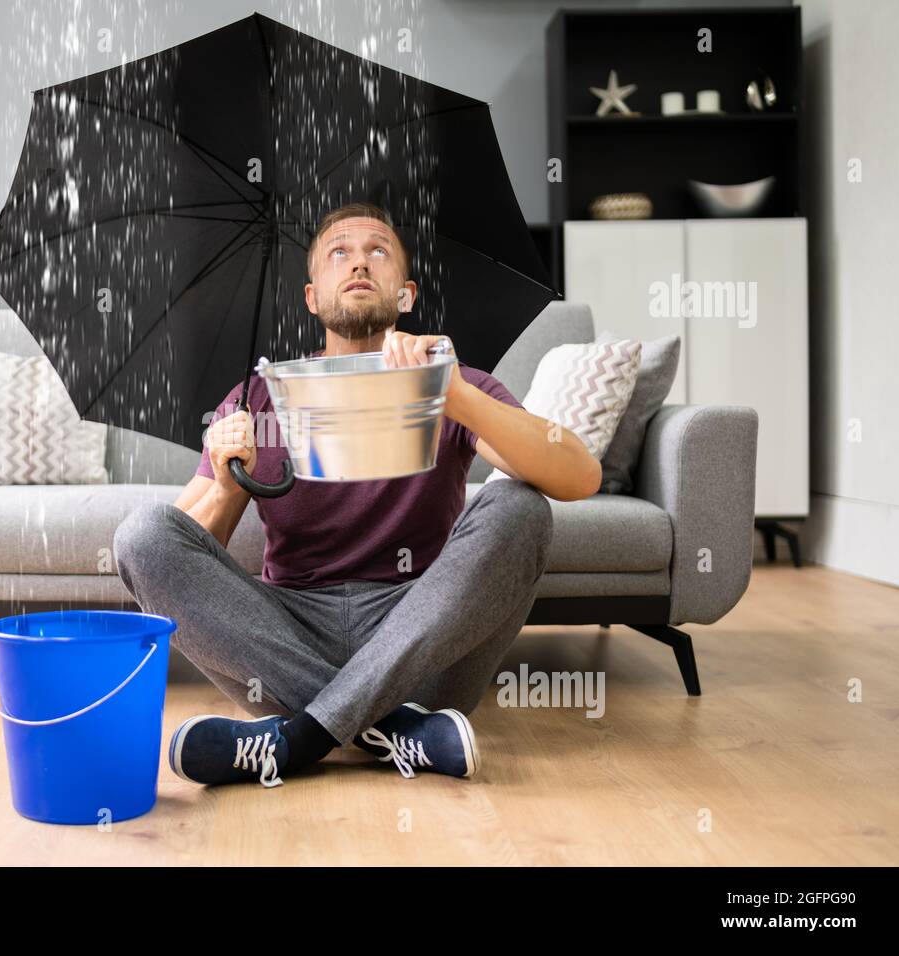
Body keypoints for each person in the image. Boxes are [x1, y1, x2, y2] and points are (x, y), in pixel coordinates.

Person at [114, 202, 600, 788]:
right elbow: (182, 553)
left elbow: (579, 477)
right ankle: (394, 731)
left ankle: (297, 740)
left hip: (421, 638)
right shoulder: (258, 398)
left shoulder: (454, 382)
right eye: (339, 253)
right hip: (287, 634)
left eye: (379, 252)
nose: (359, 262)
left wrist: (453, 395)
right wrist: (224, 485)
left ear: (407, 295)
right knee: (141, 533)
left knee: (521, 506)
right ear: (313, 297)